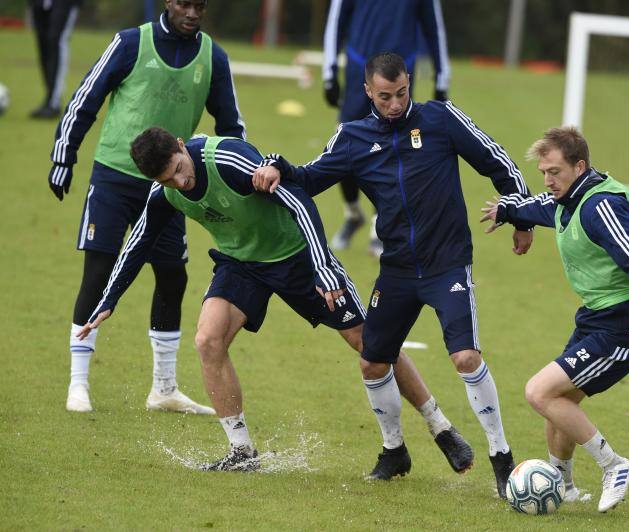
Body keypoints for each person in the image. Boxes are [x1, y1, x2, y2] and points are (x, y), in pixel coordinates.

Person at [77, 127, 474, 473]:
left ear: (182, 146)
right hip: (241, 265)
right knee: (207, 340)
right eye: (167, 180)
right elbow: (137, 245)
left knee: (371, 344)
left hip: (298, 256)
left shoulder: (228, 159)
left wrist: (323, 267)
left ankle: (440, 426)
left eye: (180, 169)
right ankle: (242, 451)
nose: (179, 183)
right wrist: (108, 300)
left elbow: (299, 201)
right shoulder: (164, 193)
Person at [252, 52, 532, 497]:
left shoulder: (440, 118)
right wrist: (274, 165)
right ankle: (394, 452)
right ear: (368, 92)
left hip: (447, 264)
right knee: (372, 360)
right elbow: (308, 178)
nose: (396, 103)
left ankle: (502, 458)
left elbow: (495, 160)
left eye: (402, 93)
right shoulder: (352, 138)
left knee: (464, 357)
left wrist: (521, 216)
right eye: (385, 96)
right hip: (398, 270)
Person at [48, 0, 245, 414]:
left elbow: (231, 126)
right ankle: (78, 384)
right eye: (185, 4)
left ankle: (164, 389)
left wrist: (242, 176)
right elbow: (88, 96)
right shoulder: (130, 43)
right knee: (99, 271)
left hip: (171, 184)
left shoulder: (213, 57)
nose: (193, 12)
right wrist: (64, 154)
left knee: (172, 276)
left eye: (200, 5)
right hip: (114, 177)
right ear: (168, 2)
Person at [480, 126, 629, 512]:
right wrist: (509, 211)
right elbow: (541, 206)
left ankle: (614, 465)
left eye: (554, 171)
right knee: (561, 400)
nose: (548, 180)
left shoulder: (600, 206)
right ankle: (564, 486)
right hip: (596, 317)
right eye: (544, 174)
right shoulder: (570, 197)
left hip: (628, 322)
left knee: (539, 391)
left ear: (579, 165)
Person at [322, 0, 450, 256]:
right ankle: (353, 213)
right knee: (344, 148)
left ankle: (379, 229)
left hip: (400, 75)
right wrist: (329, 71)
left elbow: (433, 26)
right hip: (360, 69)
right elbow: (337, 20)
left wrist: (441, 75)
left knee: (391, 153)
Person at [28, 0, 82, 119]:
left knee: (56, 40)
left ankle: (54, 102)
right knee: (43, 44)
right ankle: (49, 98)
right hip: (39, 3)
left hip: (63, 4)